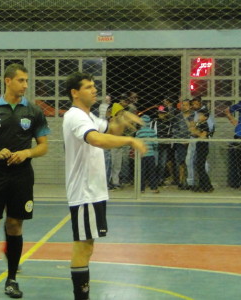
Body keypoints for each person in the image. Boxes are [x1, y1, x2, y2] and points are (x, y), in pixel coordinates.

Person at [62, 72, 146, 300]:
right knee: (83, 245)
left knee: (87, 244)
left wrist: (122, 119)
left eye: (94, 86)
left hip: (94, 191)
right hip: (84, 191)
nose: (94, 90)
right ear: (75, 93)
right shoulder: (75, 116)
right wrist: (130, 140)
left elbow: (109, 130)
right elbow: (97, 139)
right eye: (88, 87)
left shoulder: (89, 117)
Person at [0, 64, 50, 298]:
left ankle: (12, 280)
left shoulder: (34, 112)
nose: (25, 85)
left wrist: (27, 153)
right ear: (8, 81)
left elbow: (43, 146)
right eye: (21, 80)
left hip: (21, 176)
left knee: (15, 225)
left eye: (26, 81)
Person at [189, 109, 213, 192]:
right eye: (198, 115)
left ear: (205, 117)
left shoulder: (204, 125)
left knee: (200, 167)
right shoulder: (199, 124)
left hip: (203, 147)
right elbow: (193, 133)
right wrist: (194, 128)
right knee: (198, 166)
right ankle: (203, 185)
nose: (198, 117)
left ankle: (207, 186)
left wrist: (196, 131)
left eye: (200, 115)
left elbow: (203, 136)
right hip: (199, 146)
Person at [136, 115, 159, 193]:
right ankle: (153, 188)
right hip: (150, 154)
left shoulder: (139, 132)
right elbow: (155, 143)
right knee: (152, 171)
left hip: (141, 155)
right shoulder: (152, 131)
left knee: (142, 172)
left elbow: (136, 143)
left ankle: (141, 188)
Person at [172, 100, 192, 189]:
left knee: (191, 162)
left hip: (192, 142)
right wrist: (182, 140)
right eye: (183, 105)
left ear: (190, 106)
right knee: (181, 162)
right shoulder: (177, 117)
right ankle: (181, 181)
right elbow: (174, 131)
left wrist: (190, 140)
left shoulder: (194, 116)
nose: (184, 107)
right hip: (181, 143)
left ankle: (190, 181)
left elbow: (196, 129)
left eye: (186, 105)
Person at [108, 102, 128, 190]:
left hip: (119, 145)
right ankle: (110, 182)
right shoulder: (111, 121)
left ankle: (116, 182)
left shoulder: (121, 121)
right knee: (111, 164)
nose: (121, 113)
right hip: (112, 145)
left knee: (117, 165)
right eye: (120, 111)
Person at [154, 105, 174, 186]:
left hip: (164, 146)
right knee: (155, 163)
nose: (161, 114)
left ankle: (160, 179)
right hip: (155, 145)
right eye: (159, 113)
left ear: (166, 113)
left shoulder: (169, 123)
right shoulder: (154, 122)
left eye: (163, 113)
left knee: (162, 164)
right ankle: (154, 180)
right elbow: (152, 132)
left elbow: (171, 134)